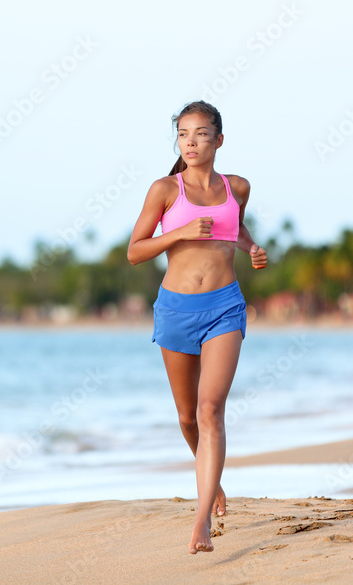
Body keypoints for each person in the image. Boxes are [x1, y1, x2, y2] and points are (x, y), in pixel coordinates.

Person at [126, 100, 268, 554]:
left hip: (225, 306)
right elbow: (135, 251)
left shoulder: (238, 187)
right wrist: (181, 233)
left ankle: (201, 520)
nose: (191, 142)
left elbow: (234, 227)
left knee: (210, 410)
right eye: (184, 134)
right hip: (175, 310)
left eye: (201, 133)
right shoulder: (165, 190)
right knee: (188, 418)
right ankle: (213, 483)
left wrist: (251, 248)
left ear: (218, 140)